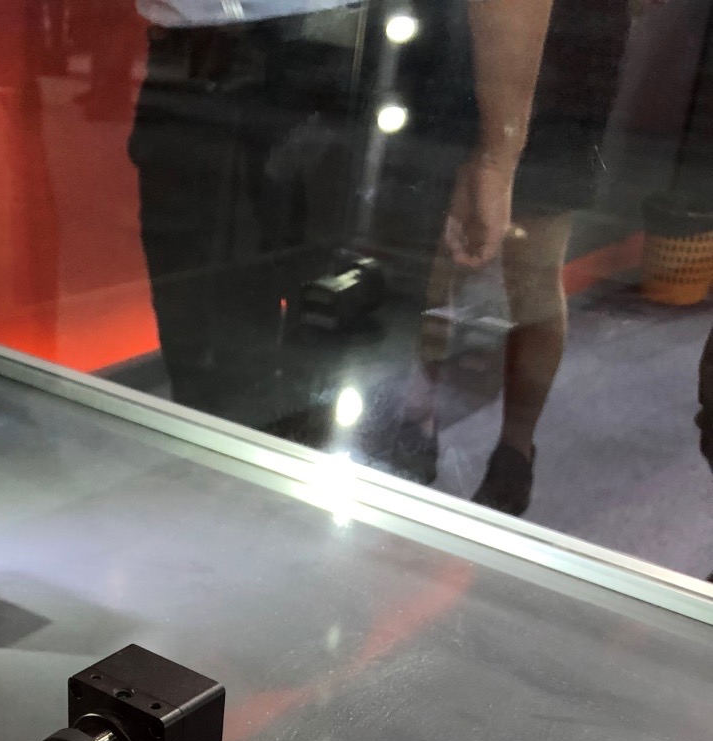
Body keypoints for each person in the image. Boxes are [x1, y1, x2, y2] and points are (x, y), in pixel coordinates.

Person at [128, 0, 557, 429]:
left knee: (341, 374)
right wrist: (497, 154)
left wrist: (497, 154)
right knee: (209, 377)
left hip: (349, 63)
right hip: (197, 61)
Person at [390, 0, 655, 515]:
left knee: (531, 271)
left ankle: (513, 449)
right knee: (439, 261)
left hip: (565, 60)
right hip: (462, 44)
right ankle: (422, 419)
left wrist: (497, 156)